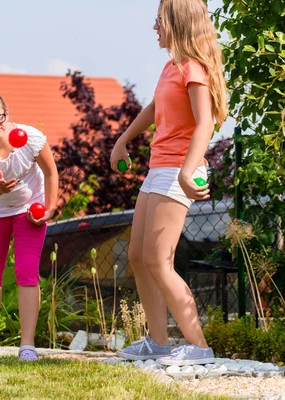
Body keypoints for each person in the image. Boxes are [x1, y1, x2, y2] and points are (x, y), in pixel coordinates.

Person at [110, 0, 228, 366]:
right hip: (160, 168)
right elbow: (152, 109)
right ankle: (158, 342)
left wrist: (187, 170)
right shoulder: (171, 66)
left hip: (178, 167)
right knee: (138, 257)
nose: (154, 27)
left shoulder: (194, 68)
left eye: (159, 20)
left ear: (177, 22)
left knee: (159, 260)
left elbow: (205, 123)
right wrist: (122, 139)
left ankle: (200, 347)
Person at [0, 89, 59, 362]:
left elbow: (51, 172)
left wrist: (49, 209)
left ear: (7, 113)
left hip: (30, 210)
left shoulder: (30, 138)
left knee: (27, 273)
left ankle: (27, 345)